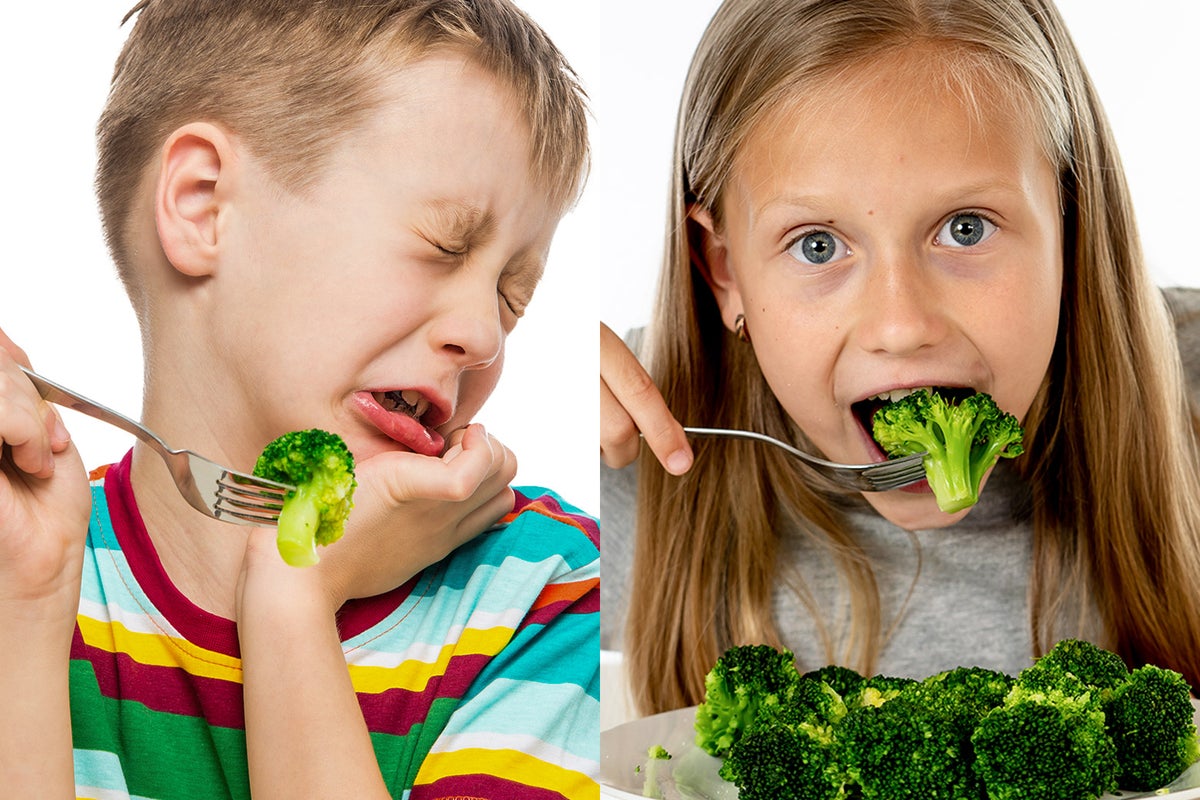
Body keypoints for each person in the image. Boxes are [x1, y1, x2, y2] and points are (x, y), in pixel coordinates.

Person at [0, 1, 599, 797]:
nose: (485, 335)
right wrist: (23, 609)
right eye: (445, 245)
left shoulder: (550, 595)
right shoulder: (24, 562)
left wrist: (293, 595)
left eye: (512, 295)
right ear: (204, 204)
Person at [599, 0, 1200, 718]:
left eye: (965, 228)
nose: (900, 325)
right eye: (817, 244)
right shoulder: (623, 442)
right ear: (724, 270)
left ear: (1072, 226)